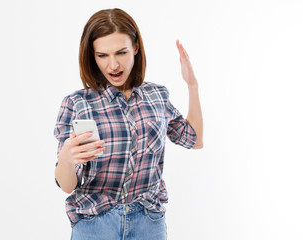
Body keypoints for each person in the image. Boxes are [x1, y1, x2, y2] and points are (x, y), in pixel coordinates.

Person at [53, 8, 203, 240]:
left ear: (135, 48)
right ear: (92, 56)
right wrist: (66, 157)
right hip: (95, 226)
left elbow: (194, 140)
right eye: (102, 55)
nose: (113, 65)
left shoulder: (156, 96)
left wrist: (192, 85)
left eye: (121, 52)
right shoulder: (78, 103)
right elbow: (67, 185)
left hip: (148, 224)